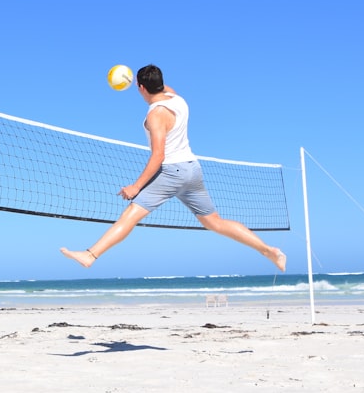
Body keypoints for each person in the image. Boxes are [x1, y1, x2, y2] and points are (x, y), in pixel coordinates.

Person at [60, 64, 286, 271]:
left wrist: (135, 187)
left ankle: (91, 255)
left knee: (131, 214)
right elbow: (163, 88)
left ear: (140, 87)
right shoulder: (177, 100)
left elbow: (158, 155)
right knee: (214, 222)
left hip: (171, 172)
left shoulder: (156, 115)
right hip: (192, 170)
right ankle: (269, 251)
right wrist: (141, 82)